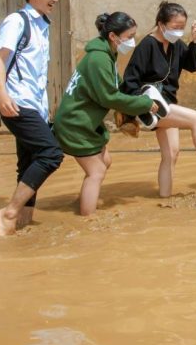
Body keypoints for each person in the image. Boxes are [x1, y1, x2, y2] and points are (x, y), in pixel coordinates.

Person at [121, 1, 196, 196]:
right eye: (175, 27)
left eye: (182, 28)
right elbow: (130, 81)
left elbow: (192, 65)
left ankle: (164, 199)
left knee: (171, 154)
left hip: (168, 104)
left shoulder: (176, 45)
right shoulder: (147, 45)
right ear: (161, 25)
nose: (178, 32)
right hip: (152, 106)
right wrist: (136, 109)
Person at [50, 12, 159, 217]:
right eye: (129, 36)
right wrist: (143, 104)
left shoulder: (107, 54)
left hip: (83, 122)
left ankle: (82, 201)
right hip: (75, 125)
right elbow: (109, 97)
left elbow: (116, 85)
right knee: (96, 171)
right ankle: (86, 220)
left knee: (104, 161)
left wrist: (134, 100)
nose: (132, 41)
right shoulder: (99, 58)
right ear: (112, 36)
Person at [0, 0, 66, 238]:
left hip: (34, 105)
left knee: (29, 162)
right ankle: (10, 211)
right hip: (16, 102)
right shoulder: (17, 21)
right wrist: (2, 95)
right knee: (51, 154)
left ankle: (21, 222)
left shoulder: (42, 24)